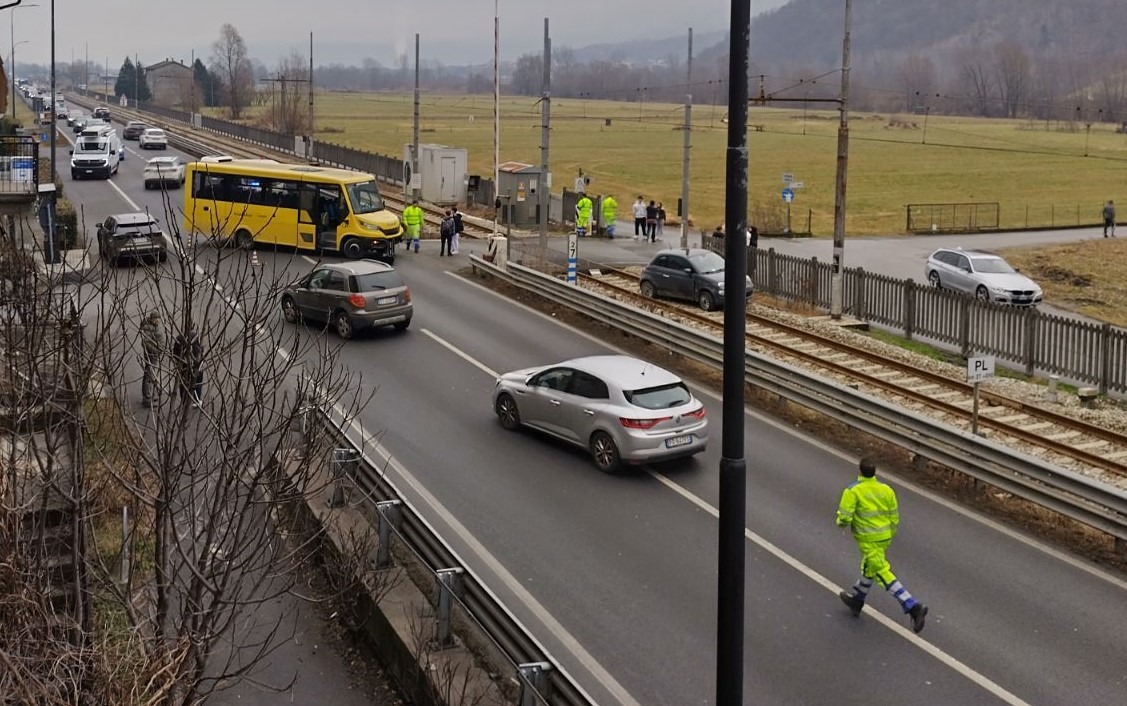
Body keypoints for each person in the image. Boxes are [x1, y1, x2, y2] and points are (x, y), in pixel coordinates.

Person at [837, 458, 928, 633]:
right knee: (870, 567)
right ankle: (857, 599)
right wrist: (890, 534)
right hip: (884, 537)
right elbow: (894, 516)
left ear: (860, 471)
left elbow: (845, 517)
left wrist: (840, 522)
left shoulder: (853, 490)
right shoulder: (887, 490)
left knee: (880, 571)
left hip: (867, 538)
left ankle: (912, 606)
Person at [172, 327, 204, 408]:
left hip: (183, 363)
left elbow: (175, 352)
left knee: (183, 382)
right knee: (197, 381)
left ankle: (184, 400)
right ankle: (196, 400)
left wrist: (179, 361)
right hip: (195, 362)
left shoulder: (179, 338)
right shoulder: (197, 336)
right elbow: (200, 350)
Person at [140, 310, 164, 407]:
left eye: (159, 318)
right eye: (156, 318)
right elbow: (146, 342)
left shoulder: (153, 327)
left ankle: (149, 393)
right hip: (151, 354)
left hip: (153, 354)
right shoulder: (149, 329)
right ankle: (147, 397)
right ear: (152, 319)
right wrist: (156, 351)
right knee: (149, 375)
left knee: (150, 374)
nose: (158, 320)